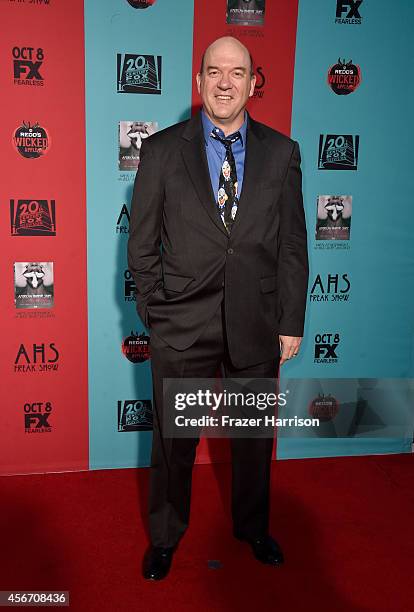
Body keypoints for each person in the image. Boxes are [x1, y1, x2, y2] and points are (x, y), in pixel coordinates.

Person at [128, 36, 308, 580]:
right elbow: (140, 246)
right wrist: (158, 313)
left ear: (254, 82)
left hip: (256, 319)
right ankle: (164, 537)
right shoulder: (161, 151)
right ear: (199, 80)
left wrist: (291, 320)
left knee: (253, 441)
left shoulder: (283, 152)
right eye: (214, 71)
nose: (225, 82)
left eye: (237, 72)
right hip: (181, 323)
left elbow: (294, 244)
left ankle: (253, 527)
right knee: (174, 443)